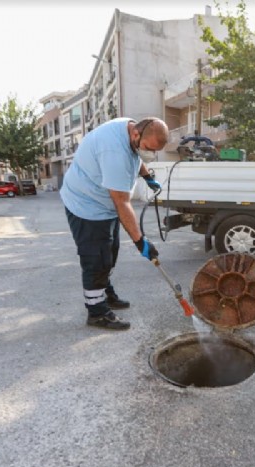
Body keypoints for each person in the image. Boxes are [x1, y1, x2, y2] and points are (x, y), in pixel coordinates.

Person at [60, 117, 167, 330]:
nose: (150, 154)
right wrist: (140, 241)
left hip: (103, 205)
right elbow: (122, 202)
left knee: (110, 252)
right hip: (86, 205)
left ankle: (105, 294)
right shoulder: (113, 152)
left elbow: (137, 158)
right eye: (148, 148)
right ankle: (96, 312)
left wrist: (147, 176)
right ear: (136, 134)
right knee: (96, 258)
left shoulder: (130, 127)